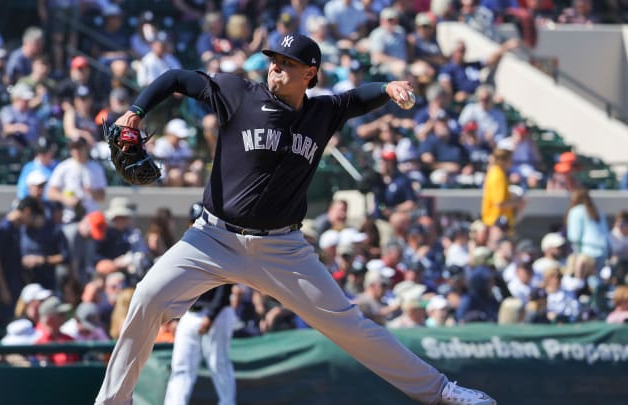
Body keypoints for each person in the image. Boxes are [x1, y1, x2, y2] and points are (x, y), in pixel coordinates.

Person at [95, 33, 495, 405]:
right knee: (146, 297)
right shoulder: (238, 93)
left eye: (287, 63)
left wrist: (389, 90)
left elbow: (358, 97)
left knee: (351, 325)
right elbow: (176, 77)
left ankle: (442, 392)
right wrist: (134, 112)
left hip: (281, 248)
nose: (276, 68)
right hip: (212, 239)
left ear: (310, 74)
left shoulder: (324, 112)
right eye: (274, 61)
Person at [163, 202, 236, 405]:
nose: (195, 224)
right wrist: (174, 315)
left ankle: (227, 402)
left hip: (216, 313)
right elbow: (177, 286)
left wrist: (211, 316)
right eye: (193, 221)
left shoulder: (222, 247)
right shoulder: (184, 248)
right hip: (190, 313)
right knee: (181, 365)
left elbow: (225, 289)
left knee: (218, 363)